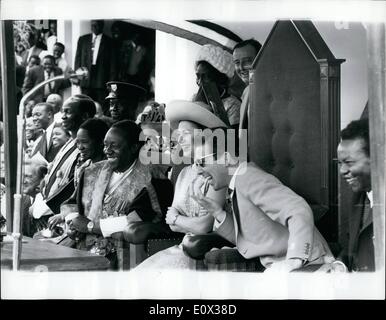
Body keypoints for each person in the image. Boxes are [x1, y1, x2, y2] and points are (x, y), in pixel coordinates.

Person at [193, 153, 334, 272]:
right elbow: (249, 239)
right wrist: (216, 211)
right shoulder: (238, 182)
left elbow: (299, 209)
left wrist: (294, 259)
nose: (197, 171)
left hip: (309, 264)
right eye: (195, 164)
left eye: (201, 162)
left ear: (226, 158)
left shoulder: (249, 177)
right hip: (277, 264)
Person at [134, 100, 232, 270]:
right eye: (178, 134)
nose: (179, 139)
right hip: (181, 248)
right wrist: (179, 221)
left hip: (205, 251)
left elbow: (204, 226)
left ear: (205, 135)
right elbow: (169, 221)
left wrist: (178, 219)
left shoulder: (218, 171)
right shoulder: (185, 173)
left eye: (185, 133)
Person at [61, 120, 166, 268]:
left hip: (121, 253)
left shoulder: (151, 178)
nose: (107, 150)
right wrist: (72, 223)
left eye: (114, 146)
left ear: (134, 147)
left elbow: (134, 222)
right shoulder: (92, 171)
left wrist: (90, 226)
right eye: (105, 145)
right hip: (82, 246)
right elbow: (72, 204)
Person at [31, 94, 96, 224]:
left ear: (85, 116)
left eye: (68, 112)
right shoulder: (69, 143)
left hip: (60, 215)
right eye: (62, 112)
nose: (63, 117)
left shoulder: (87, 148)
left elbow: (73, 185)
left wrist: (47, 207)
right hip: (45, 209)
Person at [47, 118, 109, 230]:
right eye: (78, 142)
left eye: (84, 142)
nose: (80, 147)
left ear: (100, 142)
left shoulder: (110, 170)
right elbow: (75, 200)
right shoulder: (83, 168)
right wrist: (63, 215)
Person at [329, 119, 374, 272]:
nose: (342, 171)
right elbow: (350, 249)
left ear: (377, 159)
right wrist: (340, 264)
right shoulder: (357, 197)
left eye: (349, 162)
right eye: (340, 163)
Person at [194, 44, 241, 129]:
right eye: (198, 76)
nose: (200, 82)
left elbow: (232, 140)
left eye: (206, 76)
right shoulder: (194, 98)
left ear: (220, 79)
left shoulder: (233, 105)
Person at [74, 20, 116, 107]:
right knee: (85, 104)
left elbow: (113, 64)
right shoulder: (83, 39)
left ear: (102, 26)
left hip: (102, 79)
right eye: (92, 25)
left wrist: (111, 82)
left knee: (101, 105)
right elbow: (78, 59)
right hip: (85, 78)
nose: (94, 28)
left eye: (97, 26)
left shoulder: (110, 42)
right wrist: (77, 76)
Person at [232, 39, 262, 141]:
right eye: (237, 62)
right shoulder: (247, 91)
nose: (241, 67)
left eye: (247, 61)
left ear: (260, 60)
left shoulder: (272, 91)